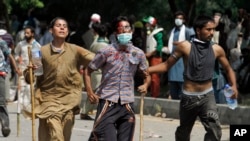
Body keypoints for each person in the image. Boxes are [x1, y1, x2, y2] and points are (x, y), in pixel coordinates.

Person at [148, 15, 238, 141]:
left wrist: (234, 86)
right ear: (198, 30)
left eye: (213, 29)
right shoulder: (185, 47)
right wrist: (146, 70)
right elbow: (166, 66)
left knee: (214, 129)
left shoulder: (217, 49)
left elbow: (228, 69)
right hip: (188, 98)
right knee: (184, 132)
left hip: (207, 96)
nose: (212, 33)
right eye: (208, 29)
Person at [23, 17, 94, 141]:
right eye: (58, 25)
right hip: (48, 99)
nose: (62, 28)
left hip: (70, 99)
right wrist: (31, 71)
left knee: (64, 137)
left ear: (67, 31)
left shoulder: (75, 50)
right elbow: (31, 78)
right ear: (51, 30)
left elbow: (97, 60)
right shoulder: (39, 52)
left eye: (64, 26)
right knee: (56, 136)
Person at [84, 16, 151, 141]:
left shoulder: (138, 54)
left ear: (131, 31)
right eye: (121, 28)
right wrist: (89, 92)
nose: (125, 31)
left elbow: (146, 75)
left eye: (127, 28)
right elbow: (88, 71)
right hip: (108, 101)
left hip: (127, 104)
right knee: (106, 136)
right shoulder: (106, 51)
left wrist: (146, 85)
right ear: (116, 33)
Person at [80, 23, 109, 120]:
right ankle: (85, 111)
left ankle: (86, 111)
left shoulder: (94, 43)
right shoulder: (105, 45)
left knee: (94, 91)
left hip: (93, 70)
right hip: (99, 71)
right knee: (96, 92)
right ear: (106, 32)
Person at [164, 11, 195, 100]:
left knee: (183, 86)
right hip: (173, 62)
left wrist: (181, 43)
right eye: (177, 18)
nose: (178, 20)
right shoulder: (172, 31)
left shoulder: (188, 31)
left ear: (184, 20)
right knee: (173, 88)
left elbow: (194, 43)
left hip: (183, 62)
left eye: (180, 18)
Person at [15, 25, 41, 110]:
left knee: (30, 89)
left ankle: (29, 108)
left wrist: (35, 67)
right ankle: (20, 109)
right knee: (21, 88)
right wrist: (18, 59)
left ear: (32, 34)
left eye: (28, 33)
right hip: (22, 69)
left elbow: (39, 60)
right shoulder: (21, 44)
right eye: (25, 33)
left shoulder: (37, 45)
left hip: (32, 71)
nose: (26, 34)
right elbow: (16, 54)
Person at [0, 37, 21, 137]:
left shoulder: (1, 43)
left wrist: (16, 68)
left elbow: (10, 56)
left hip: (0, 74)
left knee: (1, 101)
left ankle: (5, 125)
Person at [143, 16, 164, 98]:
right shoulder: (149, 32)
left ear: (151, 24)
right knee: (147, 76)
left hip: (155, 58)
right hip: (149, 58)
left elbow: (160, 47)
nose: (145, 25)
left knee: (155, 78)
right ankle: (151, 93)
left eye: (147, 23)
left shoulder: (158, 33)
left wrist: (151, 53)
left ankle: (155, 95)